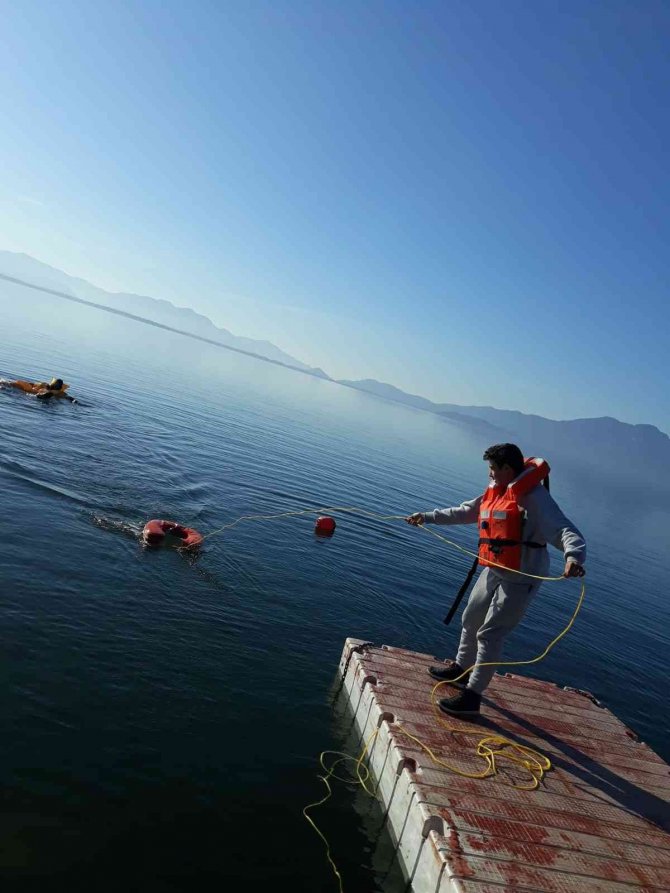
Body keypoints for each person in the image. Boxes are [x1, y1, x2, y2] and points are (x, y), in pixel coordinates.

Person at [406, 443, 586, 718]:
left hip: (522, 574)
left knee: (490, 633)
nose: (490, 474)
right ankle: (462, 669)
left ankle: (472, 697)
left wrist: (573, 556)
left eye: (493, 468)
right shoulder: (496, 490)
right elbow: (466, 511)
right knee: (471, 617)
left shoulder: (535, 497)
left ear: (507, 468)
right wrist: (428, 517)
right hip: (495, 567)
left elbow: (563, 529)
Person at [5, 377, 77, 403]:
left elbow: (69, 398)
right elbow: (70, 398)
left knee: (12, 384)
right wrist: (74, 400)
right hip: (34, 393)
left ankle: (42, 396)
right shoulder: (60, 393)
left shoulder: (45, 385)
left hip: (31, 392)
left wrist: (73, 400)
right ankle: (42, 396)